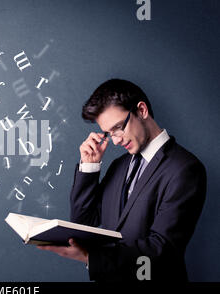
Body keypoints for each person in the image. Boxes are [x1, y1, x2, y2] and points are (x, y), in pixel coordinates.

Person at [37, 79, 206, 281]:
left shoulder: (184, 168)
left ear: (141, 110)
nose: (115, 140)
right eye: (109, 133)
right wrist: (89, 166)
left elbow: (163, 250)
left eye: (119, 127)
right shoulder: (119, 165)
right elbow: (84, 221)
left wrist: (93, 258)